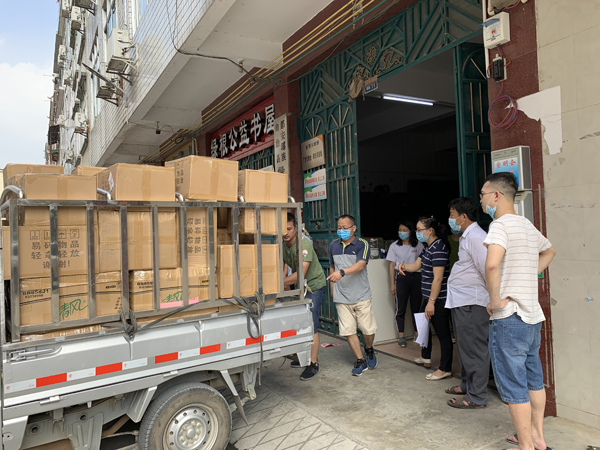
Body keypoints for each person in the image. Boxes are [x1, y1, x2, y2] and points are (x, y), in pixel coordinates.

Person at [481, 173, 555, 450]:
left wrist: (494, 301)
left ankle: (525, 445)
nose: (482, 200)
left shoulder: (499, 226)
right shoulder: (525, 224)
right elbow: (549, 251)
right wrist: (527, 275)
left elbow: (491, 265)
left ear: (496, 195)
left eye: (483, 195)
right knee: (534, 380)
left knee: (514, 386)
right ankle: (537, 437)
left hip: (509, 318)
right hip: (532, 317)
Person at [445, 197, 490, 409]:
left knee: (474, 348)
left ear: (463, 217)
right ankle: (466, 385)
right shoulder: (466, 237)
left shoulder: (477, 238)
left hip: (473, 301)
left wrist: (493, 299)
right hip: (462, 300)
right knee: (465, 346)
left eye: (452, 215)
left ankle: (477, 396)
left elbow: (488, 270)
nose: (450, 219)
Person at [398, 216, 452, 380]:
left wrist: (431, 302)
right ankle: (425, 356)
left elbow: (438, 279)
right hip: (428, 297)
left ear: (430, 230)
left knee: (443, 334)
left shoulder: (439, 248)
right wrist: (402, 266)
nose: (417, 233)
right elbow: (416, 265)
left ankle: (445, 368)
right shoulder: (428, 247)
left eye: (419, 229)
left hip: (438, 299)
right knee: (423, 326)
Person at [327, 214, 377, 376]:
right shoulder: (333, 245)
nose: (341, 230)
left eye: (345, 228)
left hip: (361, 294)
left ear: (353, 228)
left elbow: (361, 265)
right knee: (348, 330)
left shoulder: (362, 244)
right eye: (339, 228)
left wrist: (342, 272)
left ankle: (369, 348)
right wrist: (332, 288)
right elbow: (332, 266)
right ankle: (360, 360)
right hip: (342, 296)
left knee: (368, 329)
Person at [283, 212, 327, 381]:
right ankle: (303, 357)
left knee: (311, 324)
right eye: (283, 229)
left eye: (289, 228)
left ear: (296, 228)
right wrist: (283, 280)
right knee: (300, 323)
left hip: (313, 286)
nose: (286, 232)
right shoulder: (283, 243)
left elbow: (300, 274)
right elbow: (284, 263)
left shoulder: (304, 244)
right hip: (300, 287)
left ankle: (313, 363)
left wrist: (280, 282)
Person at [386, 220, 424, 347]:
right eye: (400, 230)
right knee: (400, 308)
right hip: (402, 277)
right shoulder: (394, 246)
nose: (402, 233)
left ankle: (417, 334)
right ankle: (401, 335)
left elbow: (422, 263)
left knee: (416, 308)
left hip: (416, 277)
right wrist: (392, 284)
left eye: (405, 230)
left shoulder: (418, 245)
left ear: (410, 231)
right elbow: (391, 266)